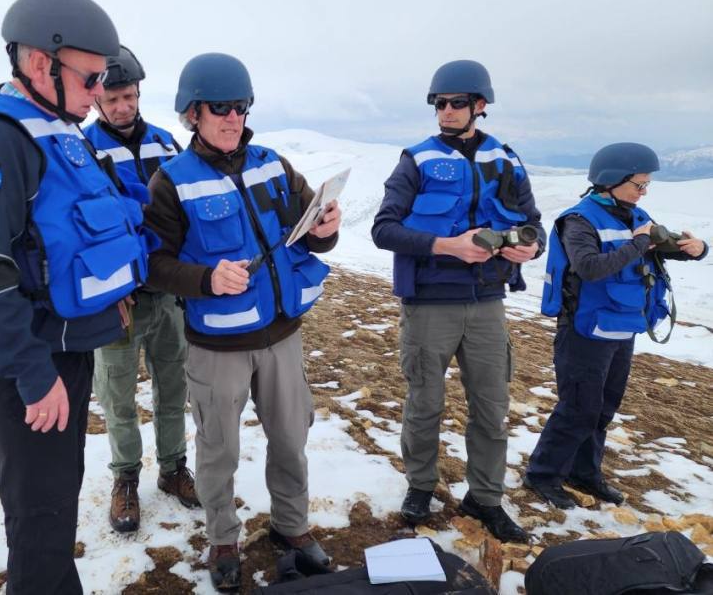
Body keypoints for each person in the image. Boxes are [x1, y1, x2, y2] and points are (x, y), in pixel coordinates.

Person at [0, 0, 154, 594]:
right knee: (39, 528)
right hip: (19, 371)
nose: (98, 95)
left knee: (53, 515)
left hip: (58, 353)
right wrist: (32, 373)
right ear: (41, 64)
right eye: (90, 80)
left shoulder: (57, 129)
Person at [144, 52, 341, 592]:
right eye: (219, 107)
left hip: (282, 336)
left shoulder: (274, 164)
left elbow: (311, 232)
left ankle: (292, 528)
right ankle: (224, 538)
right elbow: (154, 266)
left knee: (289, 439)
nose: (233, 117)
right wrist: (207, 280)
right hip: (217, 348)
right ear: (191, 114)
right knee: (218, 450)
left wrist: (327, 226)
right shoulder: (171, 182)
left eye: (241, 106)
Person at [372, 60, 543, 543]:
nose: (446, 111)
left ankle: (485, 498)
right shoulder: (417, 159)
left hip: (488, 303)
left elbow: (535, 223)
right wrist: (447, 245)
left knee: (491, 407)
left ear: (480, 106)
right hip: (429, 304)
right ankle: (420, 486)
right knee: (425, 403)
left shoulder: (506, 159)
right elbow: (384, 228)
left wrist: (531, 247)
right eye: (439, 104)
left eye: (456, 103)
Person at [524, 142, 708, 508]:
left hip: (622, 328)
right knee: (578, 408)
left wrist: (698, 248)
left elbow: (666, 246)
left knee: (604, 407)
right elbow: (590, 267)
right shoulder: (579, 220)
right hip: (584, 330)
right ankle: (542, 475)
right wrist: (639, 244)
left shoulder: (635, 215)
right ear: (611, 181)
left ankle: (584, 472)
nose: (644, 192)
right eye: (638, 184)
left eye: (646, 185)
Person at [82, 46, 198, 533]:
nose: (122, 106)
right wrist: (110, 287)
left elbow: (185, 216)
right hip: (119, 300)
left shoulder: (168, 145)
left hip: (166, 294)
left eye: (128, 96)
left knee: (173, 388)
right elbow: (83, 227)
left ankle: (173, 468)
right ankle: (125, 478)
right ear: (96, 100)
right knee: (118, 396)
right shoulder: (82, 149)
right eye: (112, 98)